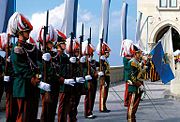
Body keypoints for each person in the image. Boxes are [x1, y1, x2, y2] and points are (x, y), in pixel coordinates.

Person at [7, 12, 40, 122]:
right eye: (27, 31)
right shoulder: (17, 48)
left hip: (30, 86)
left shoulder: (28, 47)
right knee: (23, 116)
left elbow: (36, 62)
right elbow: (20, 68)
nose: (29, 33)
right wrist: (32, 77)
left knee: (31, 116)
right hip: (23, 86)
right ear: (20, 32)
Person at [127, 45, 146, 122]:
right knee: (132, 106)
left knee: (135, 106)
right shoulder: (132, 63)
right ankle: (130, 120)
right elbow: (132, 77)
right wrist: (139, 85)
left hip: (137, 87)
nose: (140, 55)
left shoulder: (136, 62)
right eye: (139, 53)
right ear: (135, 54)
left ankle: (132, 119)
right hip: (134, 87)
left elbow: (140, 74)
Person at [83, 41, 98, 119]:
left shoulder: (93, 62)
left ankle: (90, 111)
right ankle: (87, 112)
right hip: (89, 81)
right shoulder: (84, 62)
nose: (91, 55)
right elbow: (84, 71)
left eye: (92, 54)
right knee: (88, 97)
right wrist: (91, 75)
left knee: (92, 97)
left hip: (94, 81)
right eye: (90, 54)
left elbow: (99, 65)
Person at [99, 42, 111, 112]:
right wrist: (103, 80)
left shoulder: (105, 60)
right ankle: (102, 107)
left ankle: (104, 106)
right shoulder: (102, 60)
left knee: (106, 93)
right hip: (104, 77)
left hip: (107, 77)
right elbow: (102, 69)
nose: (109, 54)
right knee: (103, 93)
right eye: (107, 53)